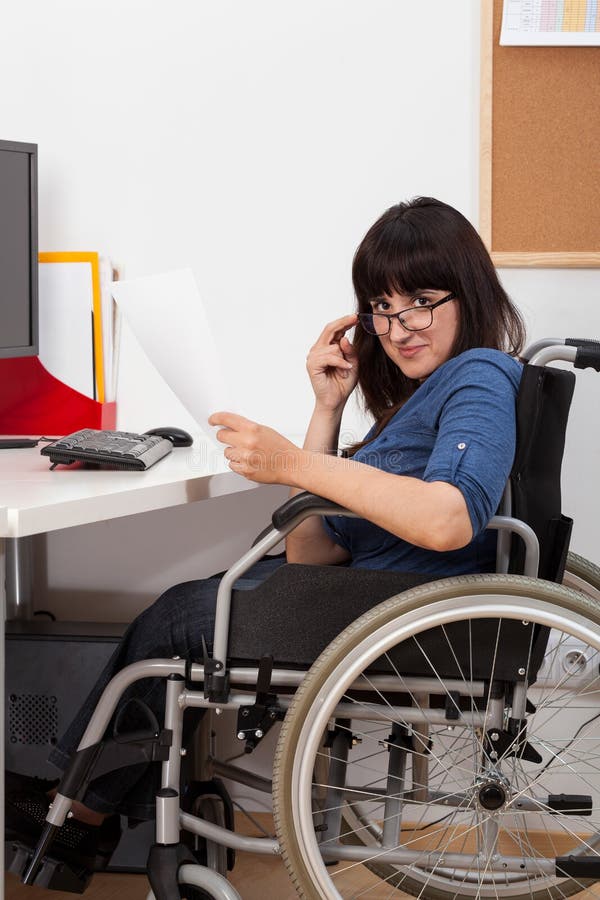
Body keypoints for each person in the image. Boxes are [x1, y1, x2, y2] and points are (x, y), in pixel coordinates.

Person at [6, 196, 525, 875]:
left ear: (470, 292)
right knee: (189, 611)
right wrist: (327, 408)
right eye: (382, 307)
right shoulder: (420, 397)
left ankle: (78, 813)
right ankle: (86, 814)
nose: (400, 328)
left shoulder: (479, 376)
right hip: (365, 594)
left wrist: (296, 464)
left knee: (180, 620)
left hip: (407, 612)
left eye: (422, 300)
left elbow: (447, 517)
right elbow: (316, 546)